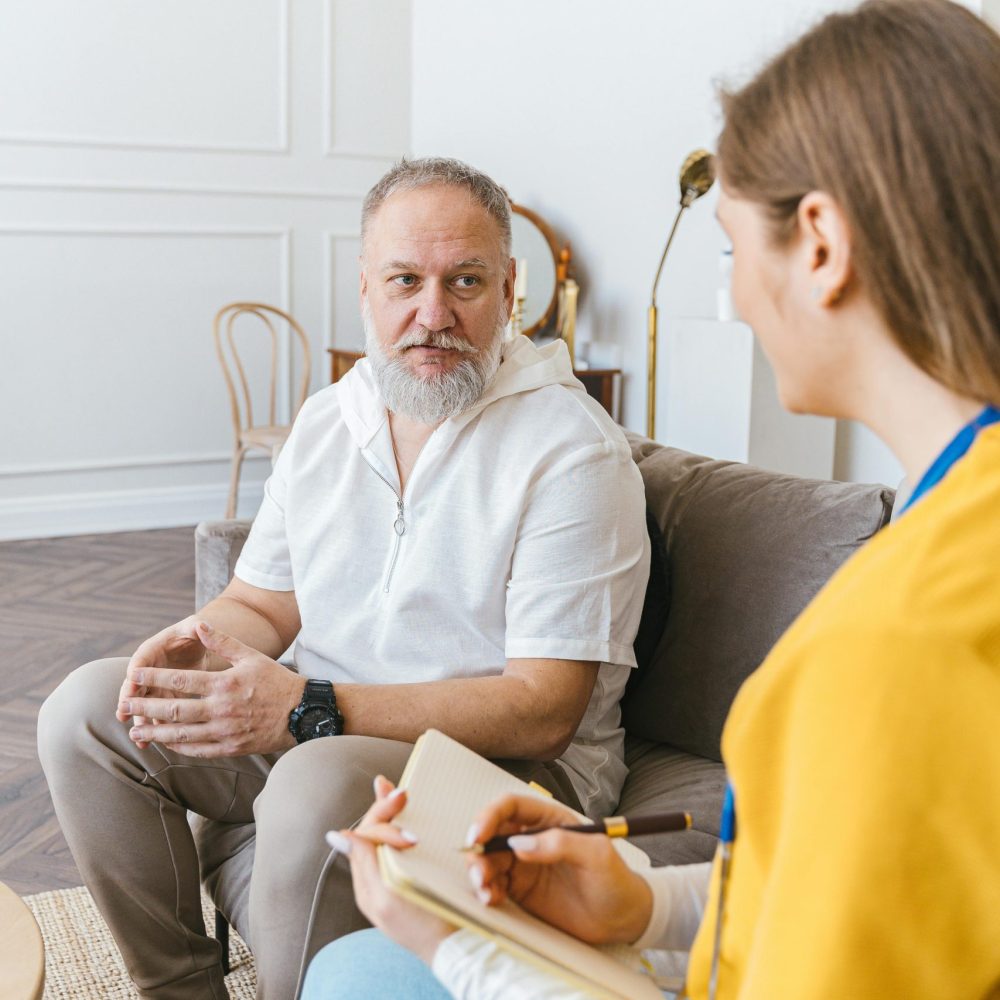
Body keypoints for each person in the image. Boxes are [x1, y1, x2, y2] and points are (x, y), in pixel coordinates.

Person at [303, 2, 1000, 997]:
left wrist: (448, 945)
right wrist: (640, 897)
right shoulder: (953, 525)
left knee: (361, 976)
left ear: (819, 245)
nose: (736, 301)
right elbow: (833, 893)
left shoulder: (893, 647)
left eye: (728, 248)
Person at [36, 157, 650, 999]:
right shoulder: (332, 418)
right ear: (366, 288)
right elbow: (262, 599)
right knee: (87, 712)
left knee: (312, 780)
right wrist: (199, 647)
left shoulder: (572, 450)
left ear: (509, 291)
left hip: (502, 772)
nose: (432, 314)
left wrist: (306, 707)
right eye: (405, 280)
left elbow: (543, 707)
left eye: (464, 281)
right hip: (321, 720)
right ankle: (178, 988)